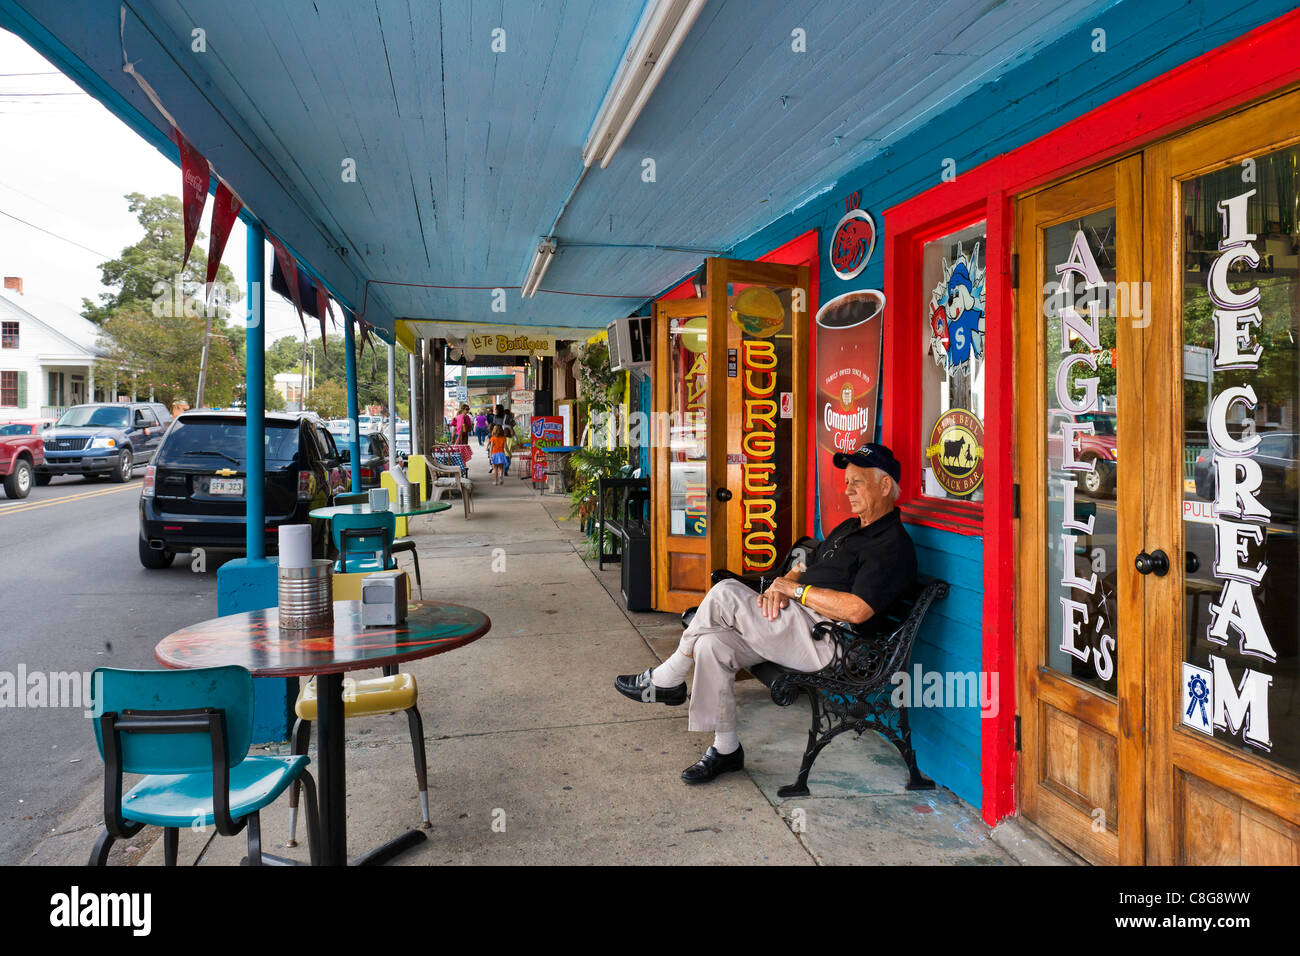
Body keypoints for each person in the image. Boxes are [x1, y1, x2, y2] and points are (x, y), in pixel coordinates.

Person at [615, 443, 917, 783]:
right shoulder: (850, 528)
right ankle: (726, 748)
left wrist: (796, 591)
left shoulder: (891, 545)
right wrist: (781, 584)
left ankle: (668, 677)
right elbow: (808, 562)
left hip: (828, 641)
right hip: (793, 624)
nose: (846, 490)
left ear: (885, 486)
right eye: (846, 481)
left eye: (857, 482)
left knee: (726, 592)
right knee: (711, 645)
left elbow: (858, 610)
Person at [501, 407, 516, 476]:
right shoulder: (508, 417)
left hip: (505, 452)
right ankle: (504, 470)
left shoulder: (504, 417)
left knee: (507, 462)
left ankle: (505, 470)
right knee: (507, 462)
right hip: (506, 452)